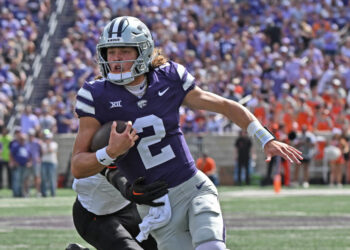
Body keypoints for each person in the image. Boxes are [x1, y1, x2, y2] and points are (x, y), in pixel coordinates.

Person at [71, 16, 302, 250]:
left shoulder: (169, 77)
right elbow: (78, 166)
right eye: (111, 52)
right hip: (157, 207)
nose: (116, 59)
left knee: (211, 247)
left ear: (143, 51)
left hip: (191, 188)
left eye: (123, 51)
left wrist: (265, 138)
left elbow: (224, 105)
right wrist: (111, 152)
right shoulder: (96, 95)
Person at [70, 167, 165, 250]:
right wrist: (131, 192)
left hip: (129, 208)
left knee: (164, 245)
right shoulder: (103, 148)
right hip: (96, 216)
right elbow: (115, 174)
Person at [40, 129, 58, 197]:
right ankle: (44, 193)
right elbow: (43, 152)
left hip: (52, 163)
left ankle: (53, 193)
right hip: (44, 162)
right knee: (44, 178)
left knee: (52, 178)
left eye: (48, 138)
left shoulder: (54, 144)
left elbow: (50, 150)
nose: (47, 139)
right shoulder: (43, 144)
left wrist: (48, 145)